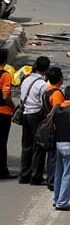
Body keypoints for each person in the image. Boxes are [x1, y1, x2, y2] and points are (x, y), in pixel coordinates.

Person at [19, 55, 49, 184]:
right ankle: (36, 177)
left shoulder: (26, 79)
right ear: (46, 69)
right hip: (36, 115)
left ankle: (24, 175)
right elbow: (44, 103)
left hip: (25, 113)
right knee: (39, 146)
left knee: (26, 145)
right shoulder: (43, 84)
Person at [0, 48, 15, 179]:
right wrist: (13, 106)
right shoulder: (5, 75)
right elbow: (5, 96)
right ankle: (2, 171)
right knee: (2, 142)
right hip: (3, 112)